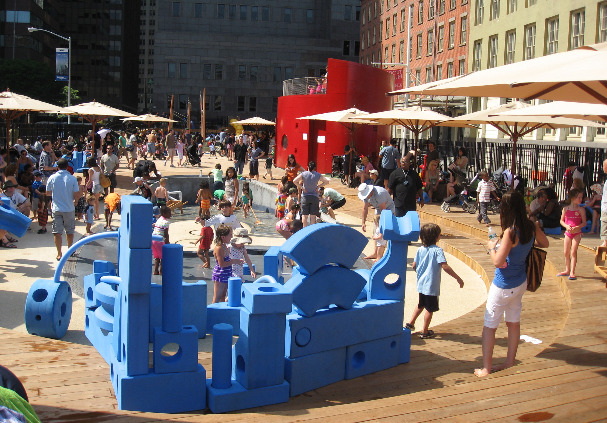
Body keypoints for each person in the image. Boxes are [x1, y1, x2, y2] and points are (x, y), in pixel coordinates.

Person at [475, 191, 549, 377]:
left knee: (489, 326)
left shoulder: (510, 232)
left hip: (503, 285)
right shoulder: (531, 226)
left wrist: (493, 248)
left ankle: (486, 368)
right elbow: (545, 243)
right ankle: (509, 361)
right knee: (513, 323)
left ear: (506, 209)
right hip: (520, 282)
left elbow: (498, 262)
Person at [405, 223, 464, 339]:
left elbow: (414, 265)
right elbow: (444, 266)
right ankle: (425, 331)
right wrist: (458, 278)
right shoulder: (437, 251)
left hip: (421, 284)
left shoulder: (420, 249)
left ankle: (410, 324)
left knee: (421, 304)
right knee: (429, 308)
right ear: (437, 237)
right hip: (431, 285)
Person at [46, 158, 80, 261]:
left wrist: (56, 195)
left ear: (57, 166)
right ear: (67, 167)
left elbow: (48, 192)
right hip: (69, 208)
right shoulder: (72, 178)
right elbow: (76, 193)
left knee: (57, 232)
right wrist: (75, 201)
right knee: (70, 231)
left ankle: (59, 253)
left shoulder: (52, 177)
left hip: (56, 208)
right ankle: (70, 250)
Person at [556, 188, 586, 280]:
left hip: (577, 233)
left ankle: (572, 271)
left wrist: (578, 227)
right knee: (566, 252)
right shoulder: (565, 209)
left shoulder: (581, 210)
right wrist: (566, 226)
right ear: (573, 198)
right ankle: (567, 269)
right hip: (568, 232)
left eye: (581, 197)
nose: (581, 199)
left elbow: (584, 223)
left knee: (573, 251)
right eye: (579, 197)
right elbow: (561, 221)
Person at [212, 224, 243, 303]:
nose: (231, 237)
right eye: (230, 235)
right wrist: (234, 261)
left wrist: (237, 260)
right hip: (220, 274)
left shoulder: (224, 246)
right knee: (217, 297)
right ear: (223, 237)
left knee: (223, 296)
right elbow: (221, 264)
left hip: (226, 274)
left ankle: (222, 312)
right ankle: (212, 312)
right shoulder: (219, 248)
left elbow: (227, 260)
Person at [293, 161, 330, 227]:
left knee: (304, 216)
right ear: (315, 168)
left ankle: (304, 231)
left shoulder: (304, 174)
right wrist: (318, 186)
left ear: (307, 167)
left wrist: (302, 187)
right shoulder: (317, 175)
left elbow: (294, 181)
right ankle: (311, 231)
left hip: (305, 197)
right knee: (313, 217)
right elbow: (326, 181)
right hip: (314, 197)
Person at [152, 205, 171, 275]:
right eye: (169, 213)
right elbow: (166, 234)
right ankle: (161, 271)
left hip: (153, 239)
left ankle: (155, 271)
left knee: (157, 257)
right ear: (164, 214)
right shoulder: (166, 222)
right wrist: (167, 243)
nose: (170, 214)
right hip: (159, 241)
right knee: (163, 257)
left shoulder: (159, 219)